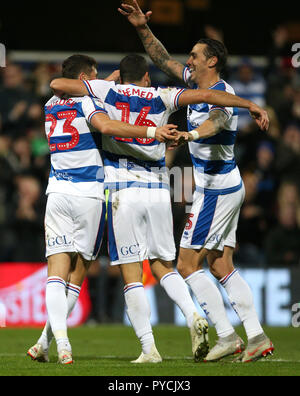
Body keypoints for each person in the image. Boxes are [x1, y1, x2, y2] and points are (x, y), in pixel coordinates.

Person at [50, 50, 268, 363]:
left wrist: (105, 80)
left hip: (124, 190)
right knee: (166, 265)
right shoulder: (163, 95)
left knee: (133, 273)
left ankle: (149, 349)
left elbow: (59, 84)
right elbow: (207, 94)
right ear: (147, 77)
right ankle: (194, 315)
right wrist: (249, 104)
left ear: (120, 76)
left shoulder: (105, 90)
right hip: (157, 190)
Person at [119, 0, 274, 363]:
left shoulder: (223, 93)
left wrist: (190, 136)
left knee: (187, 264)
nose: (187, 60)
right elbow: (161, 60)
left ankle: (226, 336)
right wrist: (142, 28)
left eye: (194, 55)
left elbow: (217, 122)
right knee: (220, 264)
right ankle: (256, 336)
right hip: (223, 186)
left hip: (215, 189)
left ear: (212, 61)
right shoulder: (193, 83)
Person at [26, 54, 177, 365]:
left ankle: (48, 342)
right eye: (92, 78)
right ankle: (58, 343)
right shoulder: (86, 103)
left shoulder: (50, 106)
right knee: (77, 273)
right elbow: (107, 126)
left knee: (55, 272)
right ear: (84, 79)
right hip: (91, 195)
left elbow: (73, 87)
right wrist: (151, 133)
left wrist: (104, 81)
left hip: (57, 191)